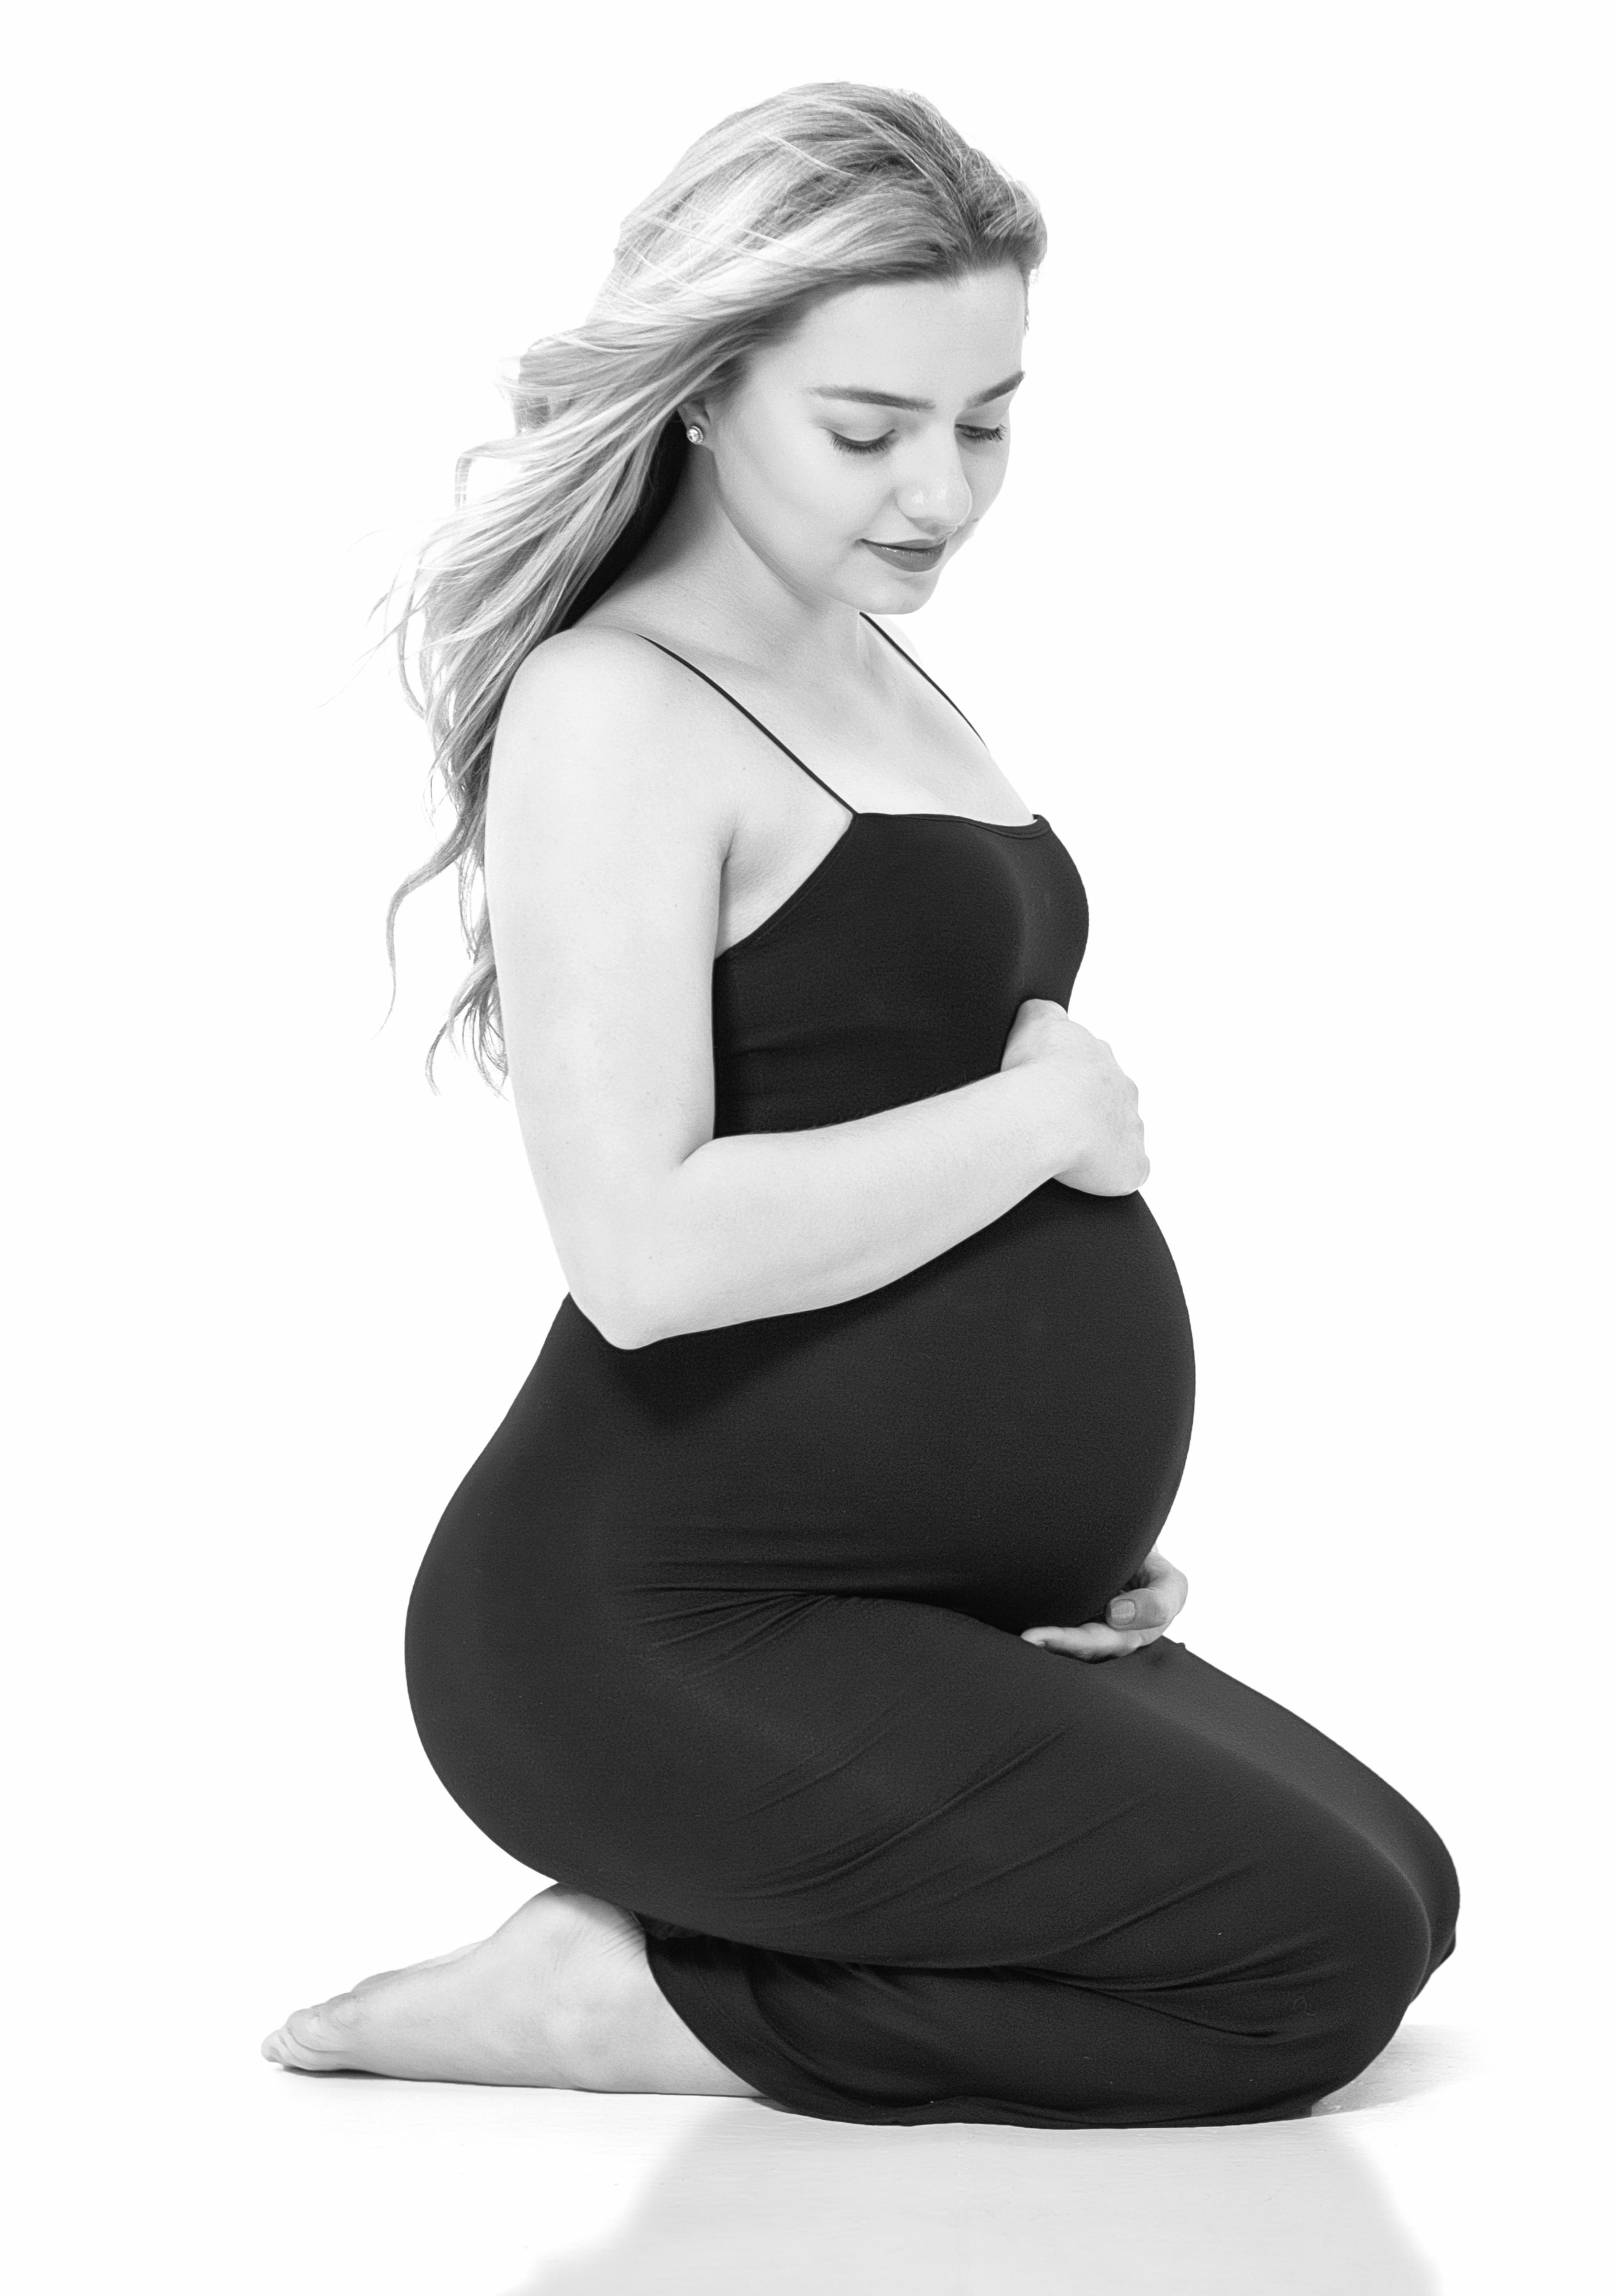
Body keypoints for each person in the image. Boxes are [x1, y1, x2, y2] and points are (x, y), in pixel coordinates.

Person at [263, 81, 1457, 2128]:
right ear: (711, 390)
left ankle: (708, 1931)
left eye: (986, 421)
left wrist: (1023, 1550)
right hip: (642, 1624)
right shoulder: (620, 706)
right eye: (868, 428)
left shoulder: (859, 652)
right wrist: (1049, 1122)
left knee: (1407, 1892)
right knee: (1302, 1965)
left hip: (891, 1598)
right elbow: (641, 1253)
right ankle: (614, 2003)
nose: (941, 489)